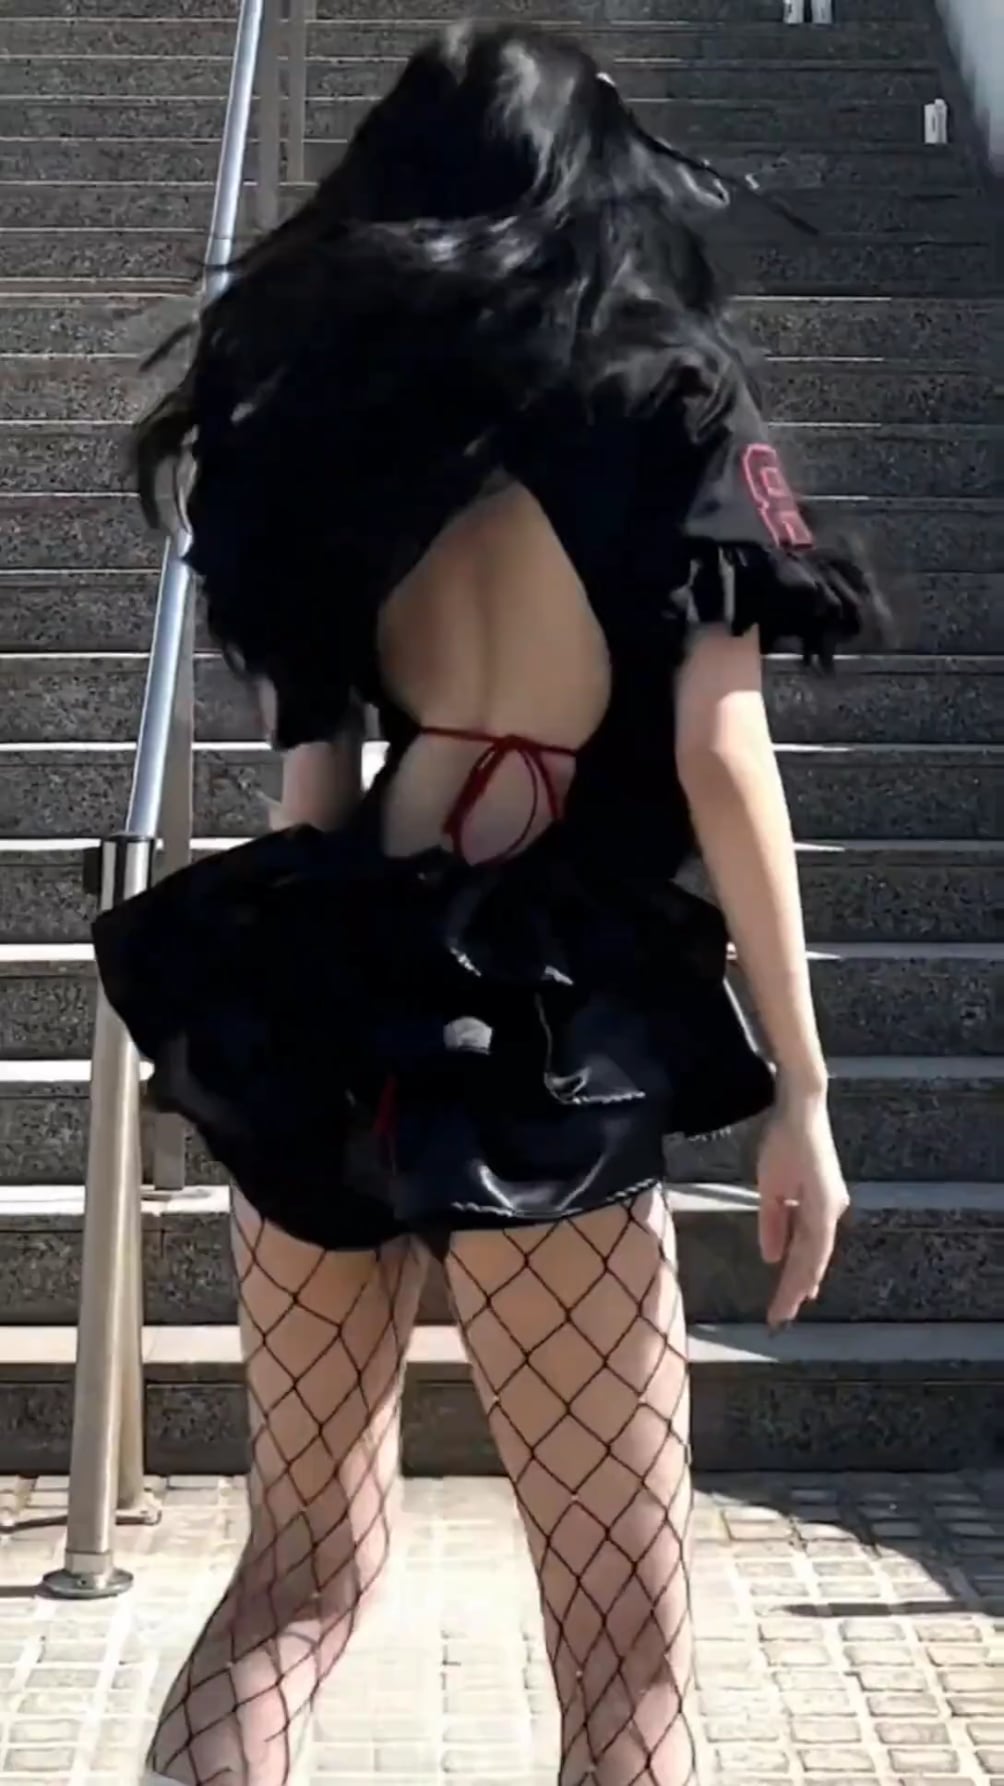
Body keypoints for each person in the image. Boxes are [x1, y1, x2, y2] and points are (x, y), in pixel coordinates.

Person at [96, 23, 883, 1786]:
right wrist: (806, 1087)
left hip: (333, 971)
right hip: (548, 1022)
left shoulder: (310, 421)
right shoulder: (665, 389)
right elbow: (721, 754)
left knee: (299, 1571)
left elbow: (312, 797)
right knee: (624, 1649)